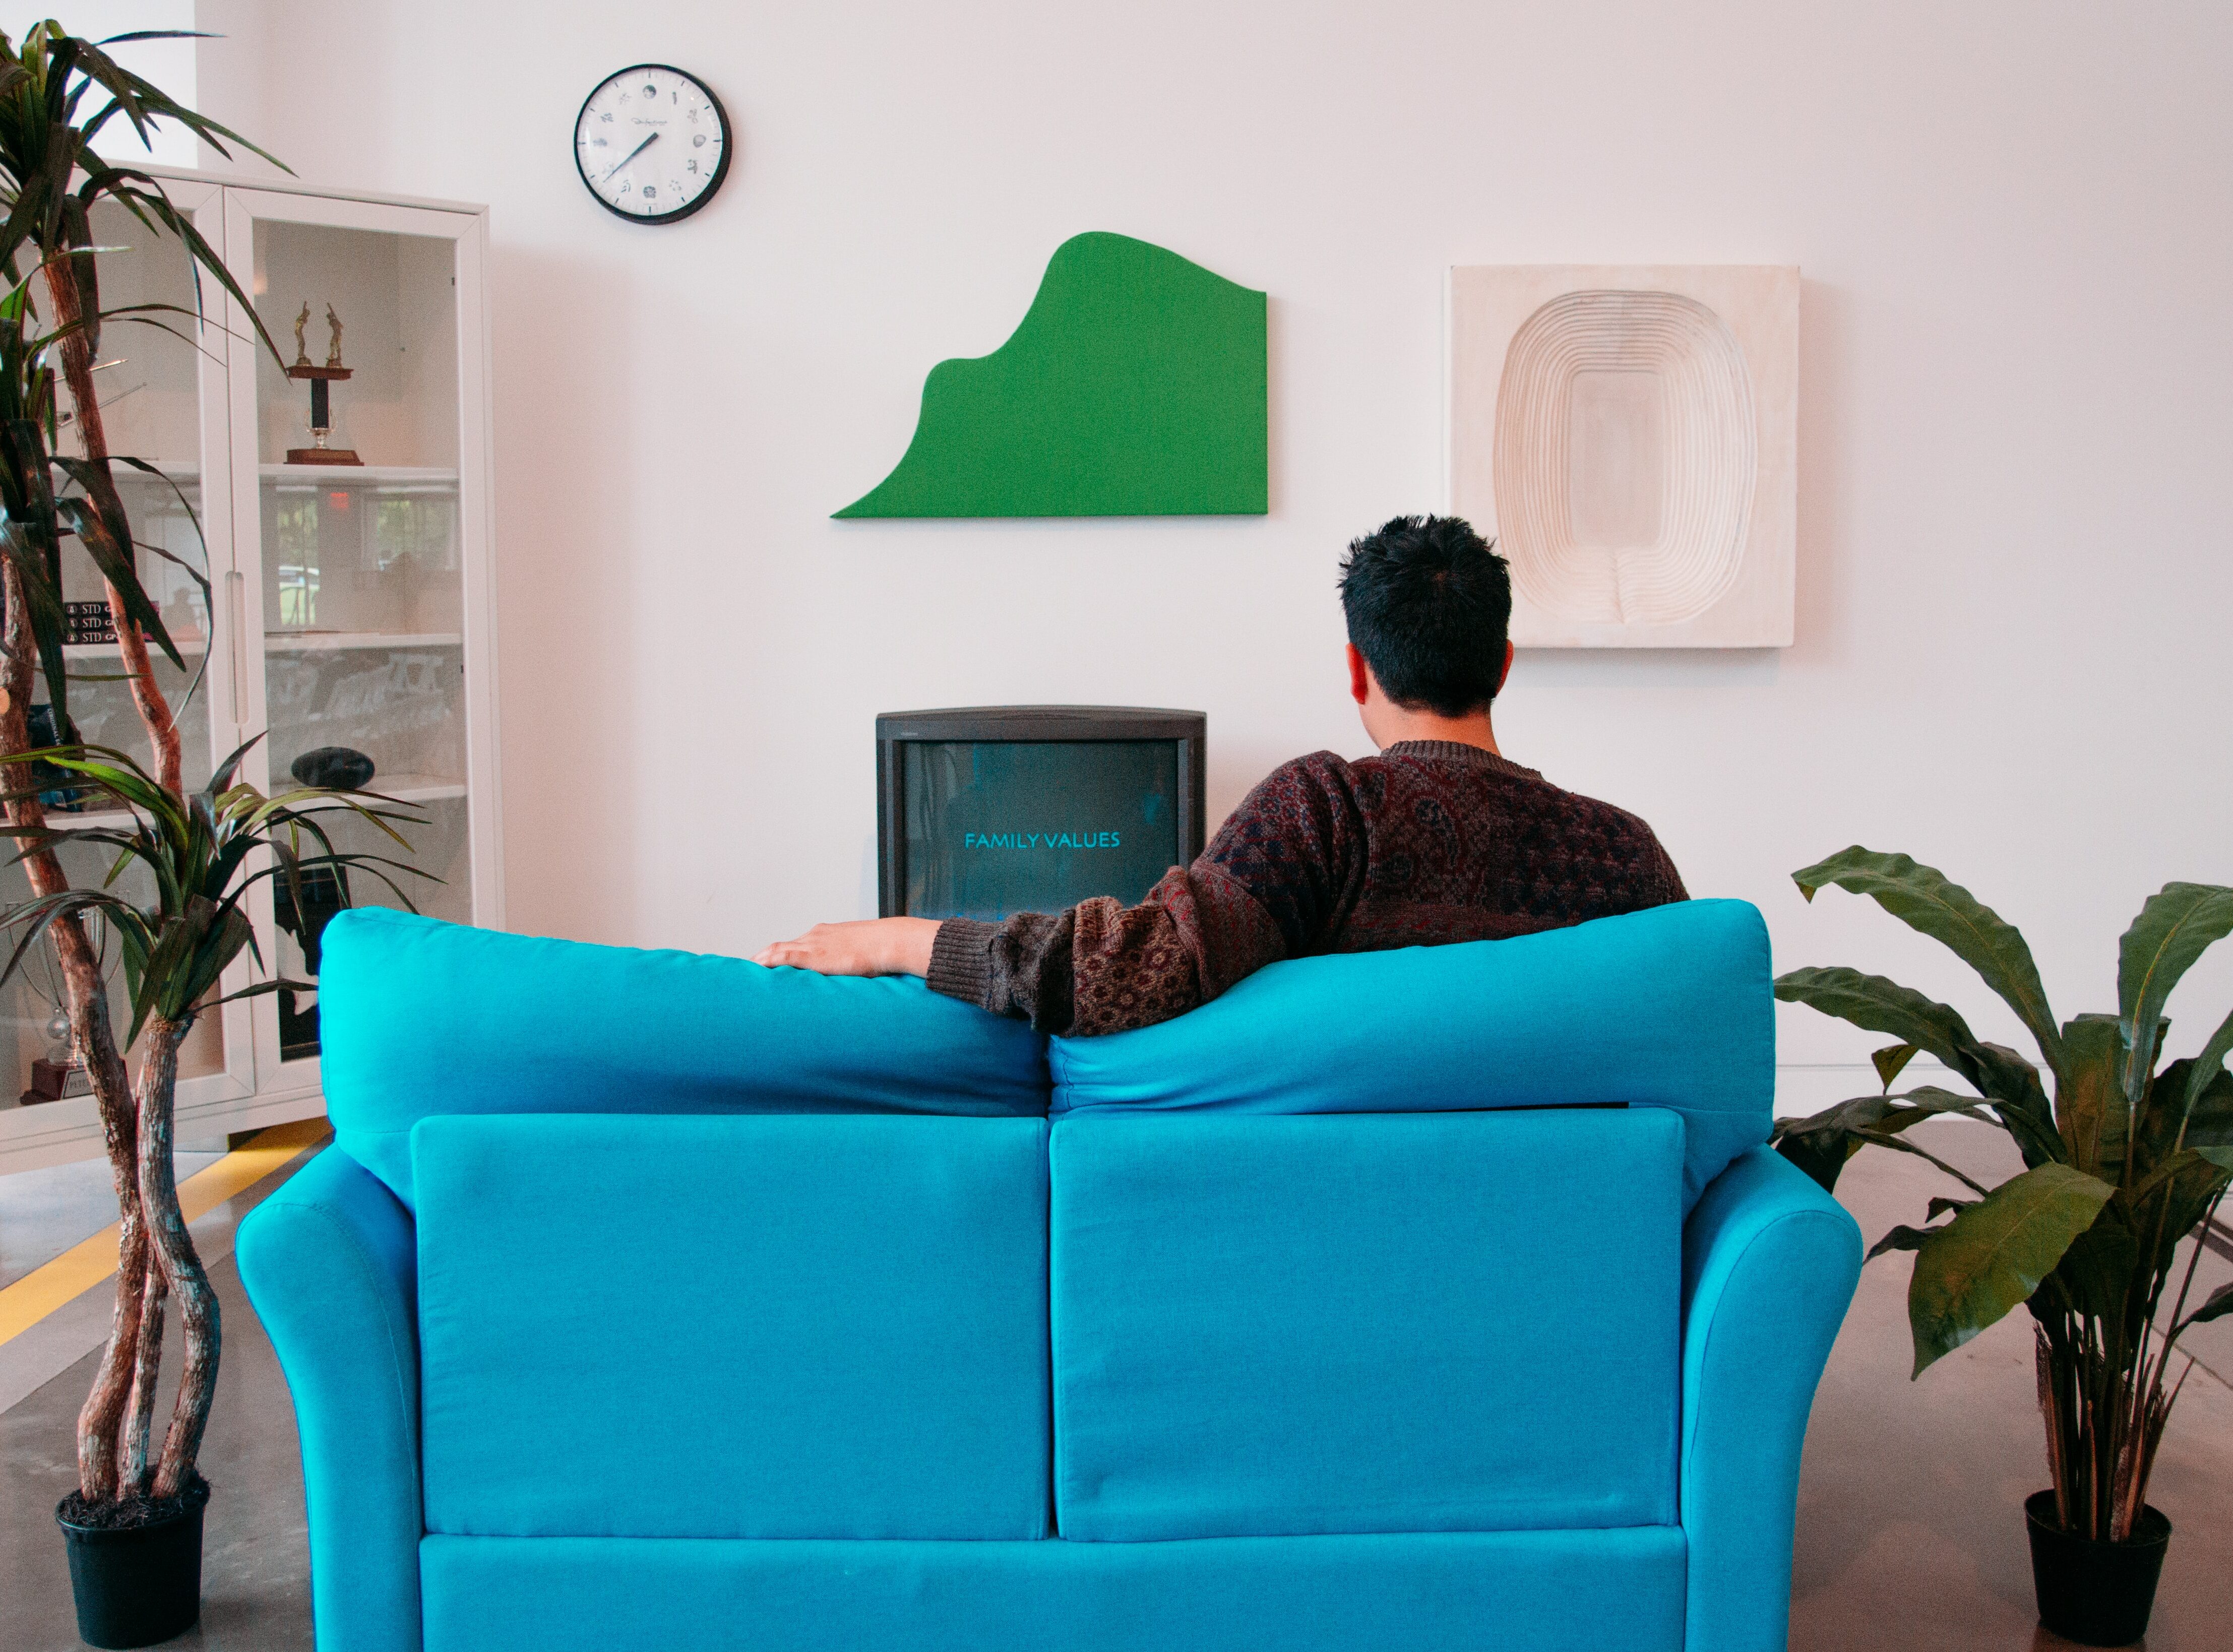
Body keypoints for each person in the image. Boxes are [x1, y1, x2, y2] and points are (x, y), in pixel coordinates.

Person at [754, 514, 1687, 1035]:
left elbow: (1120, 976)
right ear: (1505, 663)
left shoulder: (1326, 811)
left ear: (1357, 669)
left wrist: (898, 941)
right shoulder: (1625, 856)